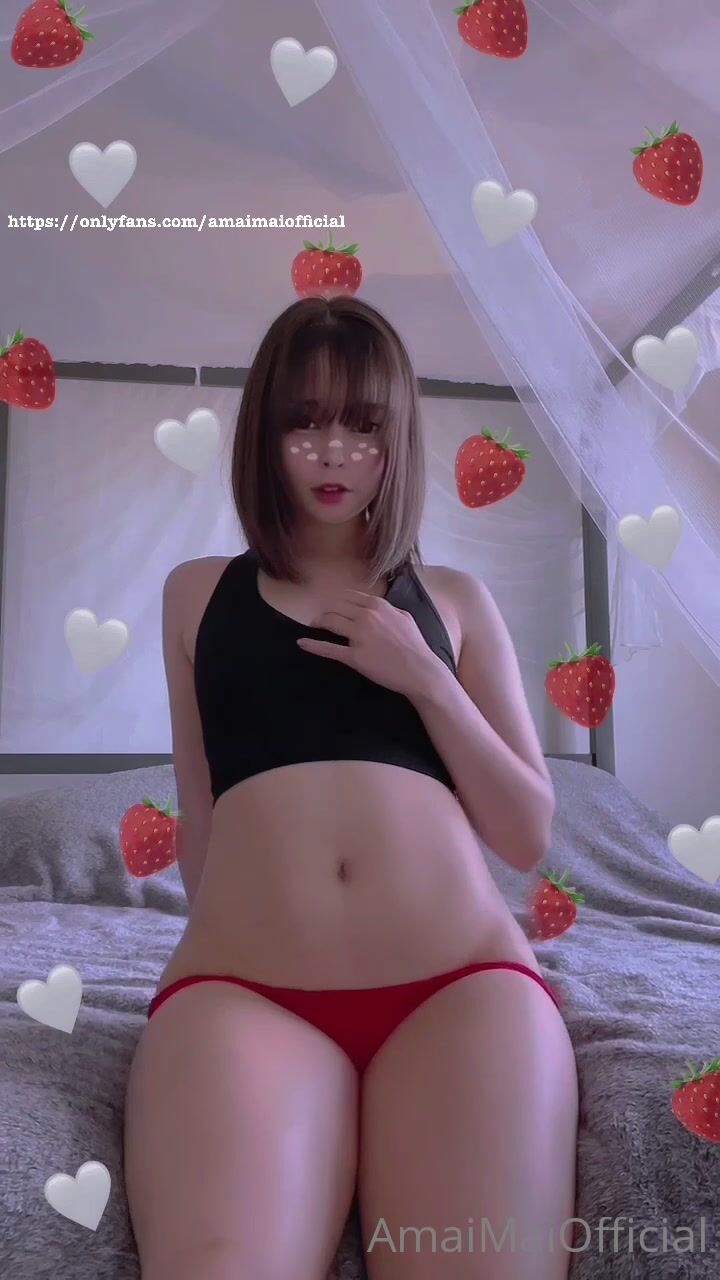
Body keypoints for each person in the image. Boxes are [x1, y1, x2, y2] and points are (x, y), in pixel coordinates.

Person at [123, 295, 578, 1280]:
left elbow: (527, 833)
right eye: (304, 421)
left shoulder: (453, 602)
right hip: (245, 991)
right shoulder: (196, 594)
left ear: (397, 437)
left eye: (363, 425)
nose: (333, 451)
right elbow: (201, 808)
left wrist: (426, 679)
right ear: (265, 433)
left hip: (460, 988)